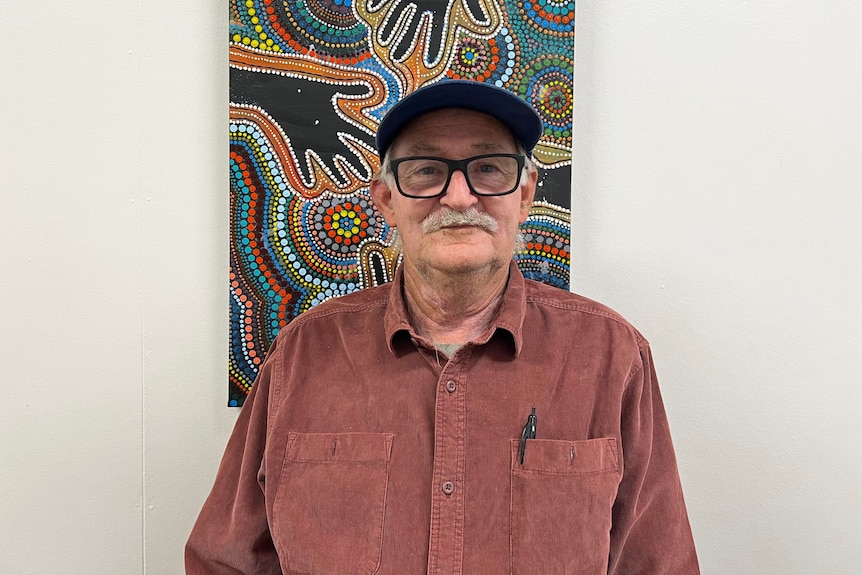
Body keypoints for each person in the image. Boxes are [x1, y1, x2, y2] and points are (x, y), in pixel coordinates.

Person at [186, 80, 699, 574]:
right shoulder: (303, 353)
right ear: (387, 200)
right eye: (427, 170)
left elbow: (657, 565)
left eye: (489, 169)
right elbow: (225, 562)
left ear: (524, 195)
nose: (458, 197)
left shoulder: (611, 356)